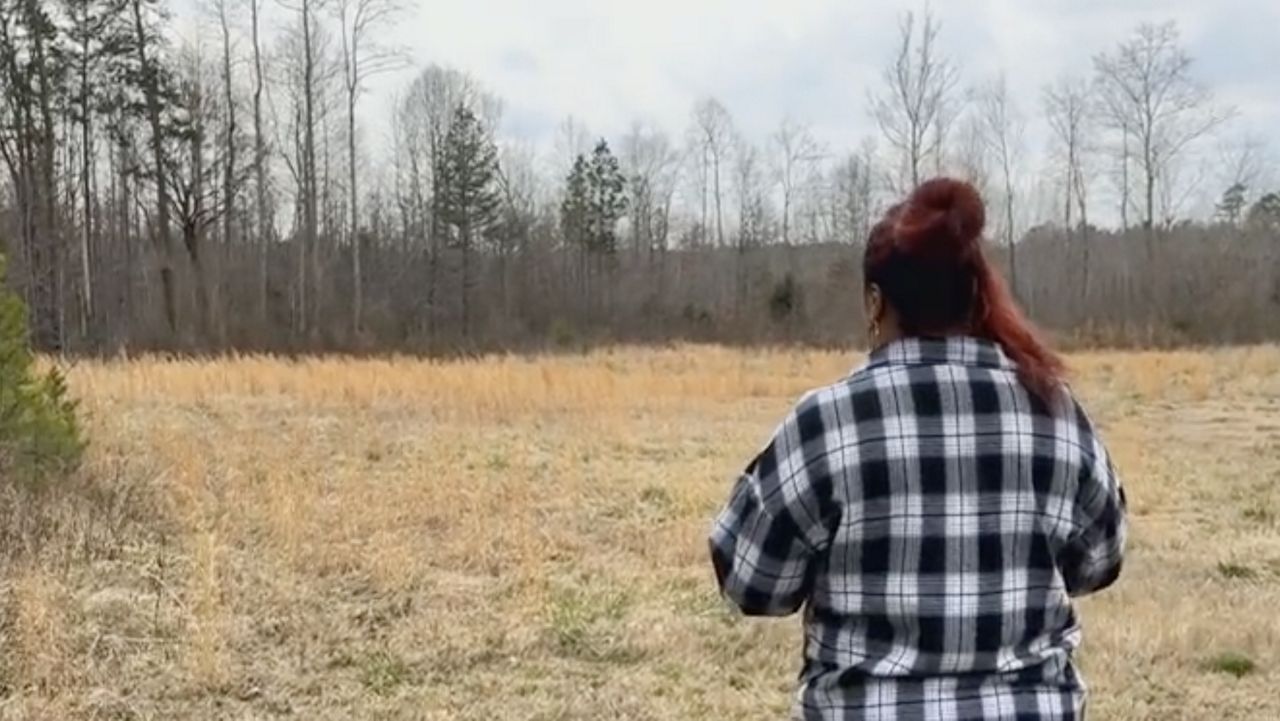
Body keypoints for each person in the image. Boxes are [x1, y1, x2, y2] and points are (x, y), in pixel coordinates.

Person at [709, 178, 1127, 721]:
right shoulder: (1054, 411)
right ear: (977, 298)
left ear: (876, 303)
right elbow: (1101, 559)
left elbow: (751, 580)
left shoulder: (828, 421)